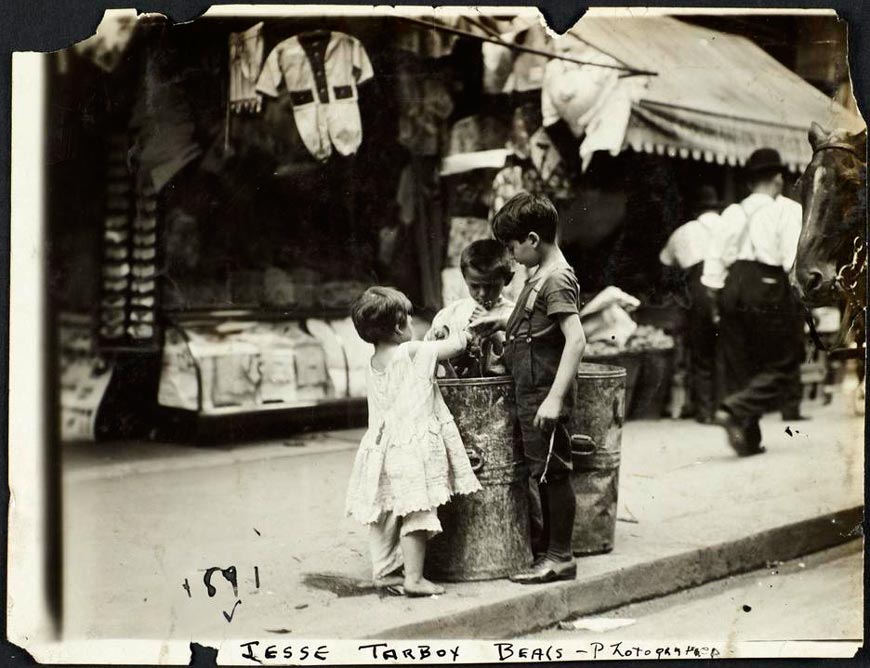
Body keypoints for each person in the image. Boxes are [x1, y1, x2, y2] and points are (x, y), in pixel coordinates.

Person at [471, 193, 586, 584]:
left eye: (513, 246)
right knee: (543, 472)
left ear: (533, 239)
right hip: (531, 391)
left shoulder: (555, 279)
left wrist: (554, 399)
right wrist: (503, 326)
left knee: (553, 473)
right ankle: (547, 551)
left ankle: (560, 556)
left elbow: (576, 339)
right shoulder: (540, 275)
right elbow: (541, 328)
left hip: (543, 395)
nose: (512, 254)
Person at [344, 287, 482, 597]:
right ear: (397, 327)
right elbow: (455, 347)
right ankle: (414, 578)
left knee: (386, 513)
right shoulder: (410, 352)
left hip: (382, 446)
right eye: (408, 318)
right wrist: (460, 330)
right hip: (412, 447)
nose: (412, 322)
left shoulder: (375, 361)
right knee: (417, 511)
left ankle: (384, 570)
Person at [701, 148, 805, 456]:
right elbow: (791, 260)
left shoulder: (733, 211)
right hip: (767, 283)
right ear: (777, 180)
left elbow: (714, 262)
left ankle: (748, 439)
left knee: (739, 364)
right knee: (785, 362)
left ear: (749, 184)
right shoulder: (786, 210)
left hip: (732, 284)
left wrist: (717, 297)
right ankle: (735, 409)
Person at [659, 185, 724, 423]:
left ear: (696, 211)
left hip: (698, 289)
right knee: (725, 349)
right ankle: (726, 407)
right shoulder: (729, 226)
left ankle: (705, 411)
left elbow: (665, 261)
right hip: (727, 286)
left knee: (701, 350)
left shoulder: (684, 231)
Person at [425, 239, 515, 376]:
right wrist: (439, 340)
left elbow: (520, 365)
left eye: (491, 286)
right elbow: (427, 360)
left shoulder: (514, 315)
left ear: (507, 279)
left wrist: (495, 331)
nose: (482, 293)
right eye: (474, 286)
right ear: (465, 278)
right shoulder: (450, 314)